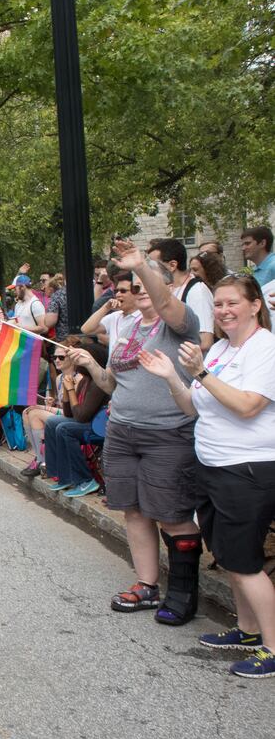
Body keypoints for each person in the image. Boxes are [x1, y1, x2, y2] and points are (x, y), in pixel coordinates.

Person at [137, 274, 275, 677]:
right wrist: (171, 377)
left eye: (233, 303)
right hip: (212, 464)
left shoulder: (264, 347)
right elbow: (192, 408)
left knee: (245, 561)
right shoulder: (217, 352)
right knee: (229, 556)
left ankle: (272, 646)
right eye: (218, 304)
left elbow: (248, 406)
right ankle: (247, 630)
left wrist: (200, 374)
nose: (224, 311)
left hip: (248, 468)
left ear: (254, 305)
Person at [65, 239, 203, 624]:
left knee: (172, 512)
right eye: (135, 285)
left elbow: (165, 305)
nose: (139, 290)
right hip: (123, 430)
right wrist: (91, 369)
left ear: (165, 287)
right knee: (135, 511)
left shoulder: (181, 322)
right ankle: (146, 585)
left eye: (146, 283)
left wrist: (142, 266)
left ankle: (183, 592)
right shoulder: (126, 325)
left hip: (167, 432)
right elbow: (113, 384)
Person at [41, 339, 111, 497]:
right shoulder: (85, 380)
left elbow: (81, 416)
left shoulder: (97, 383)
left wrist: (71, 390)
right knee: (52, 422)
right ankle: (63, 476)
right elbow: (68, 413)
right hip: (87, 423)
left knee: (64, 429)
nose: (75, 362)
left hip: (99, 428)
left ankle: (85, 480)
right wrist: (67, 390)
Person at [151, 237, 214, 349]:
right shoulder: (170, 289)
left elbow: (205, 340)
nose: (149, 271)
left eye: (153, 266)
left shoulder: (197, 291)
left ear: (172, 265)